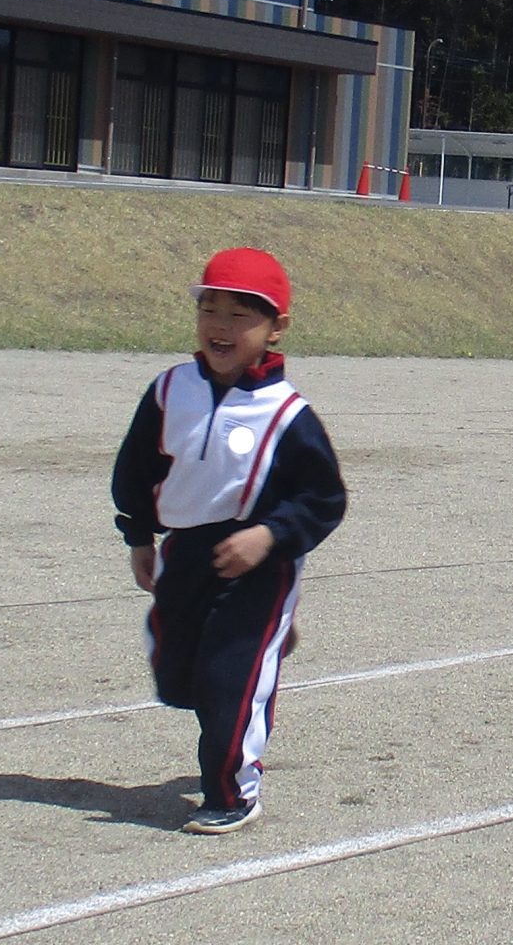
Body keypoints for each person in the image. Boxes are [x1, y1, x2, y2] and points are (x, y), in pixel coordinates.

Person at [112, 248, 347, 834]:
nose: (220, 326)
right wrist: (139, 535)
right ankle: (264, 646)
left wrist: (271, 535)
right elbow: (137, 466)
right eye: (210, 310)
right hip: (186, 552)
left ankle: (231, 793)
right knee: (178, 671)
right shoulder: (171, 390)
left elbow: (324, 499)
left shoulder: (286, 413)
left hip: (257, 562)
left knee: (229, 677)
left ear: (276, 328)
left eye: (240, 315)